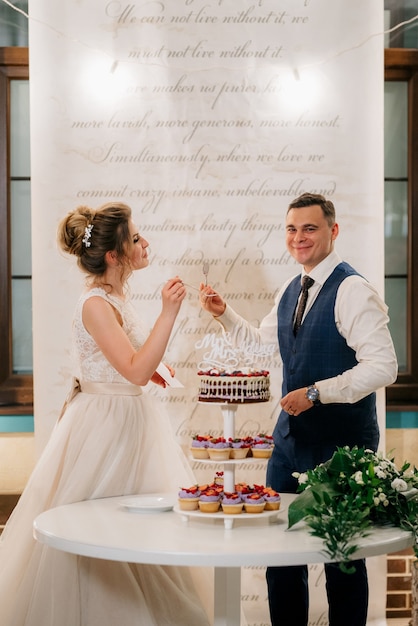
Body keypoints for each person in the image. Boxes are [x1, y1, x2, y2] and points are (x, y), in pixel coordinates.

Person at [0, 202, 210, 626]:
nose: (144, 242)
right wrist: (169, 313)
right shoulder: (96, 303)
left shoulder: (116, 296)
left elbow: (130, 366)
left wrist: (155, 373)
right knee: (103, 530)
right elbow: (134, 367)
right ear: (114, 255)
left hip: (130, 418)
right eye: (135, 238)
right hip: (106, 429)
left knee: (143, 531)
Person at [199, 192, 397, 626]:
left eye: (309, 228)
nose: (299, 237)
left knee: (341, 560)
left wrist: (316, 392)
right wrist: (225, 315)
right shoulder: (294, 288)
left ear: (333, 231)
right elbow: (261, 342)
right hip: (287, 446)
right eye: (292, 228)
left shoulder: (352, 289)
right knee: (280, 561)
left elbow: (384, 366)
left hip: (342, 449)